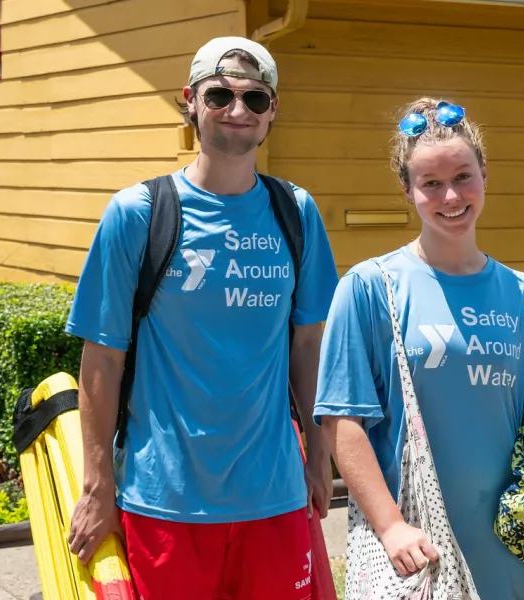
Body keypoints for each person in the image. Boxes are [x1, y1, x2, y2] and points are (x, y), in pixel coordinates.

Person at [63, 37, 340, 599]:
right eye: (220, 95)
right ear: (189, 101)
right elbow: (102, 359)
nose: (238, 111)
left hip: (275, 497)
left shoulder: (297, 212)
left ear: (272, 112)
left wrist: (320, 460)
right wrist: (97, 483)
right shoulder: (139, 213)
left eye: (255, 99)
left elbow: (309, 349)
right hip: (164, 503)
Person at [315, 97, 524, 599]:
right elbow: (342, 422)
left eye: (463, 176)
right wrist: (391, 528)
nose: (451, 196)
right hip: (417, 552)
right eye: (431, 184)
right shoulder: (368, 288)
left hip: (515, 552)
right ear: (407, 190)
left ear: (485, 173)